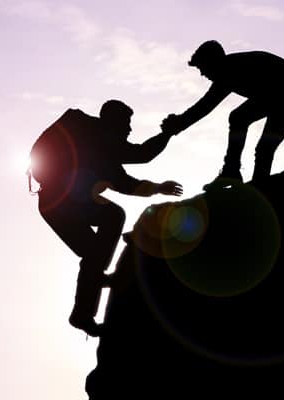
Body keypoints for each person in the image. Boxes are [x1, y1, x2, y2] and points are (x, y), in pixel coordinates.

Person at [38, 100, 183, 337]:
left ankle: (84, 310)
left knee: (93, 255)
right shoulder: (99, 141)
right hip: (63, 203)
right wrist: (167, 133)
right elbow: (143, 154)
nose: (129, 130)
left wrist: (157, 187)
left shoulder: (102, 149)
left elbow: (127, 183)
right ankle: (86, 302)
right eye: (126, 124)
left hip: (50, 205)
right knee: (113, 217)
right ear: (112, 122)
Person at [161, 40, 284, 188]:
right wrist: (178, 123)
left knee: (261, 143)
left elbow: (204, 106)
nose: (202, 74)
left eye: (203, 68)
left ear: (212, 62)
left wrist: (178, 124)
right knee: (243, 123)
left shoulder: (229, 70)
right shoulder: (227, 70)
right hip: (279, 92)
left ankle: (251, 181)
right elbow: (204, 106)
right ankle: (237, 173)